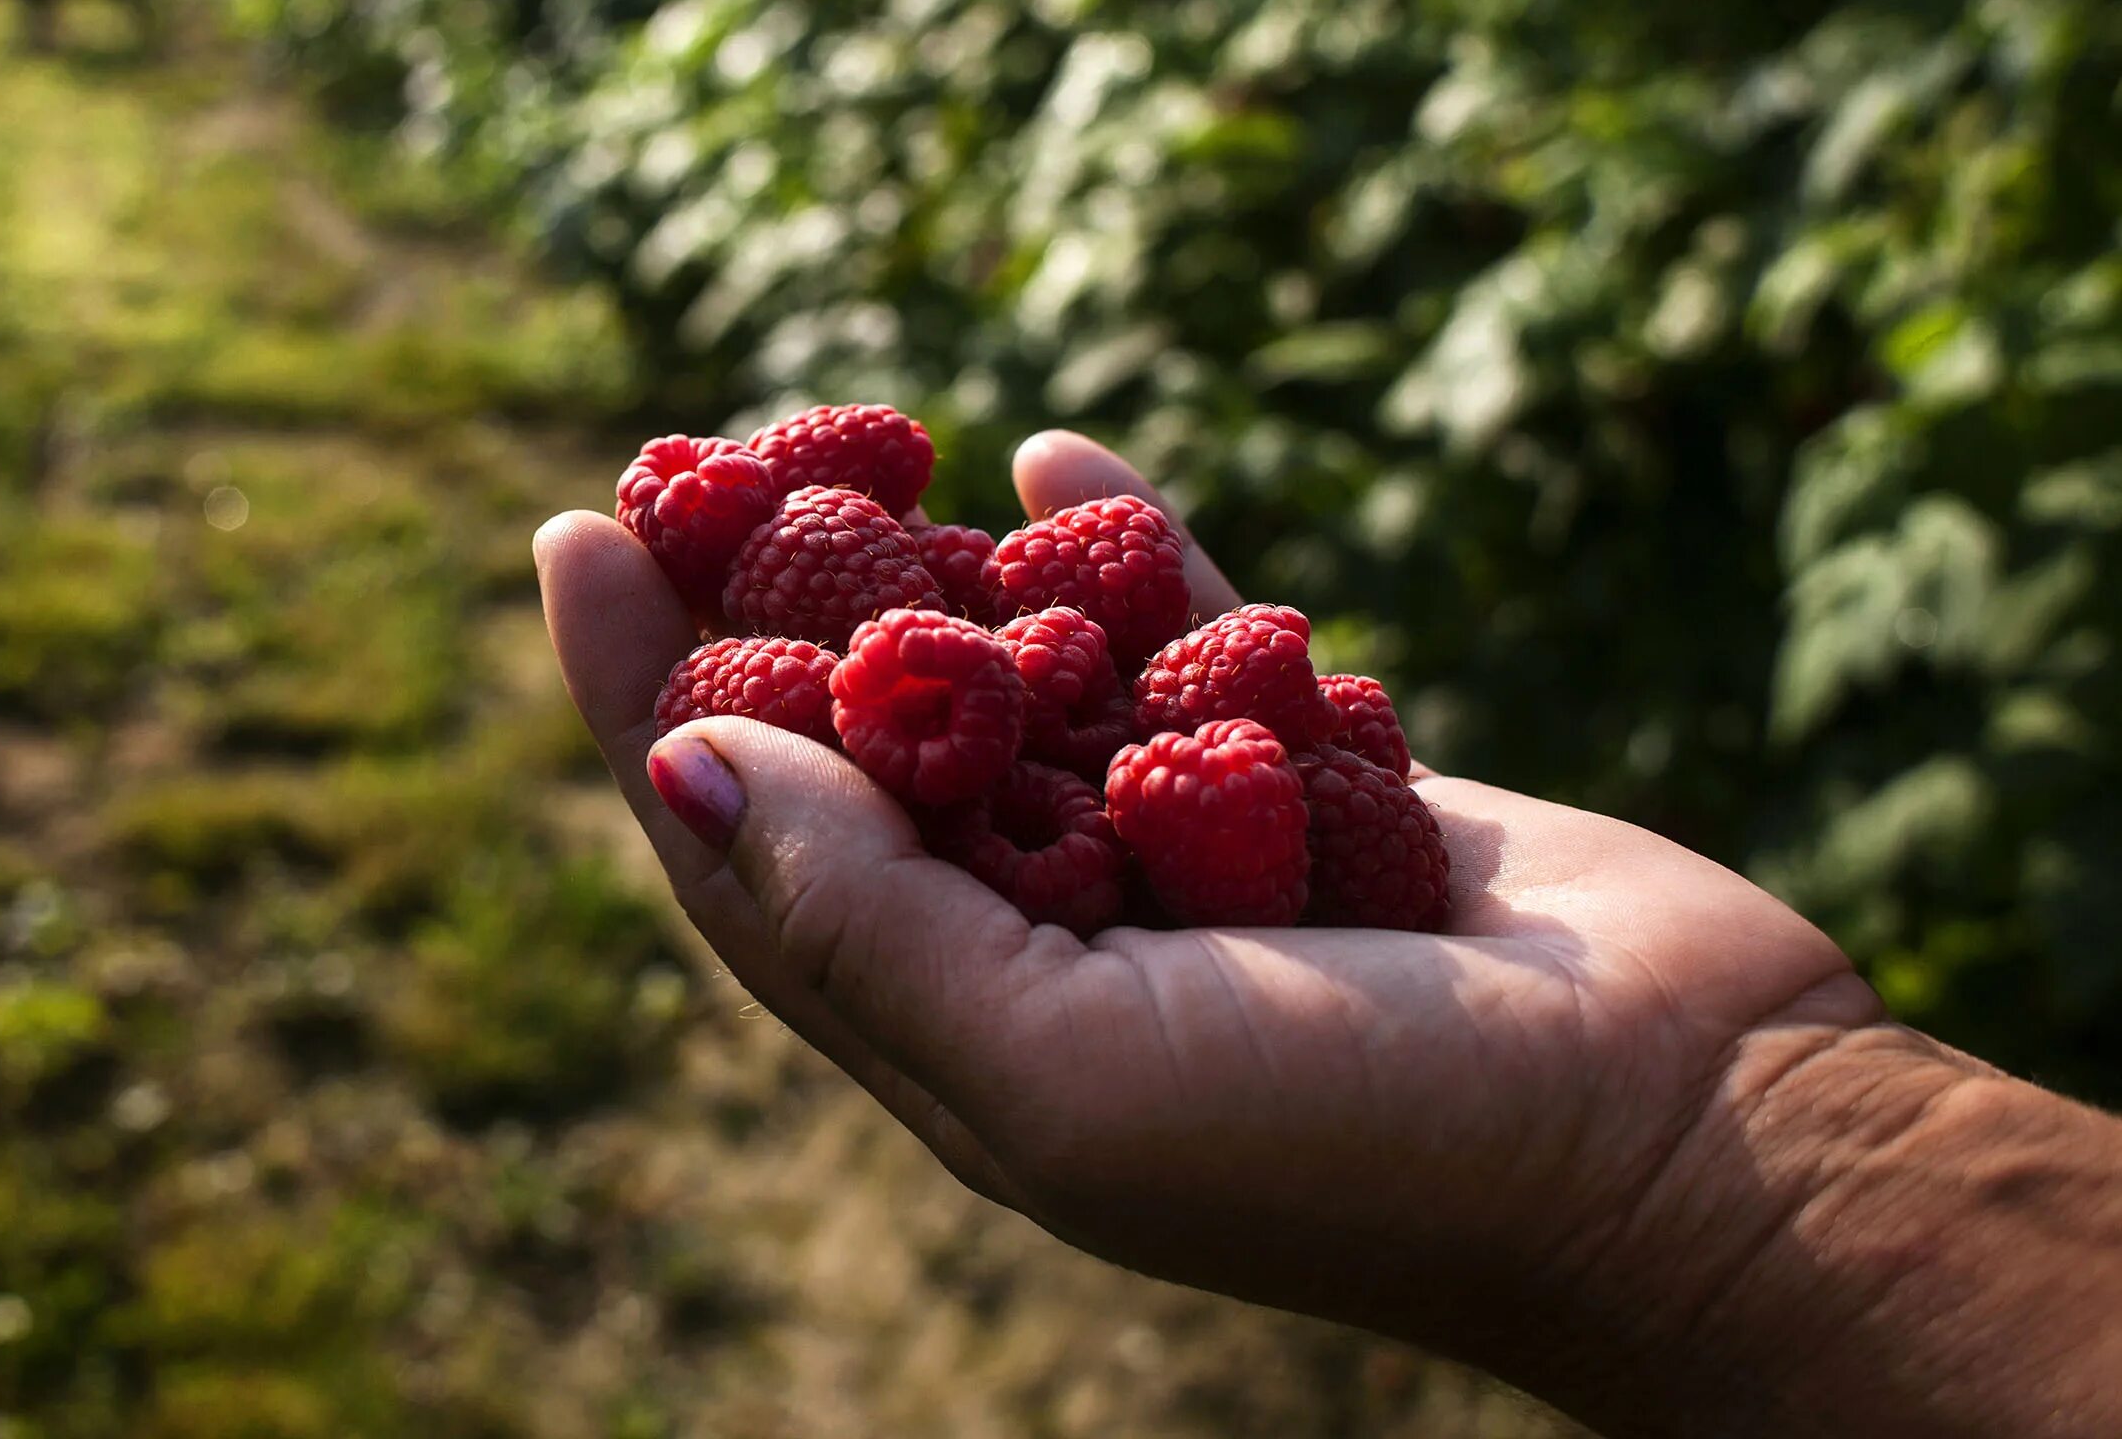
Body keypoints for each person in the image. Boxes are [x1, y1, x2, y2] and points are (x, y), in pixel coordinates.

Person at [533, 428, 2122, 1439]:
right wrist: (1710, 1148)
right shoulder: (979, 660)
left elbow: (1168, 722)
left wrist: (1689, 1160)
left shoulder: (1124, 728)